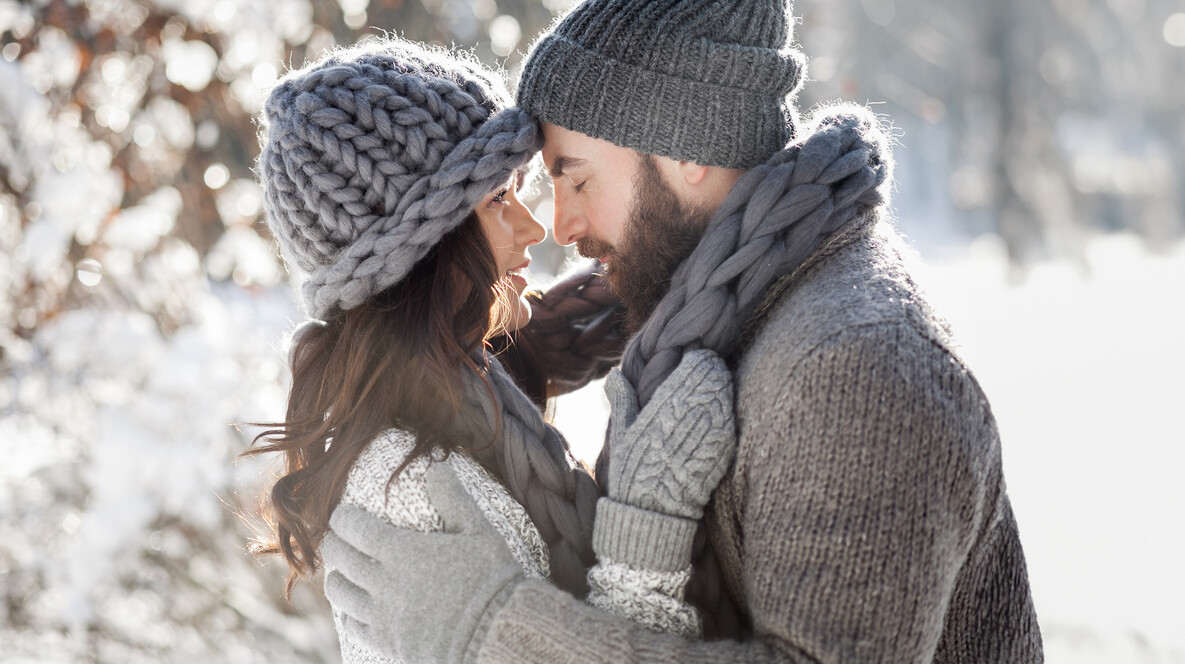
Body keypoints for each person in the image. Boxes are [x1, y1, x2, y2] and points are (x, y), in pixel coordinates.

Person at [319, 0, 1045, 662]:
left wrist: (497, 630)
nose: (561, 226)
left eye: (576, 178)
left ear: (687, 150)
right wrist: (508, 362)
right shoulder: (722, 319)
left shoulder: (854, 365)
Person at [249, 38, 739, 664]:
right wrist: (651, 513)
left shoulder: (464, 390)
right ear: (422, 249)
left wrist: (661, 268)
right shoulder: (411, 482)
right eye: (497, 200)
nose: (535, 229)